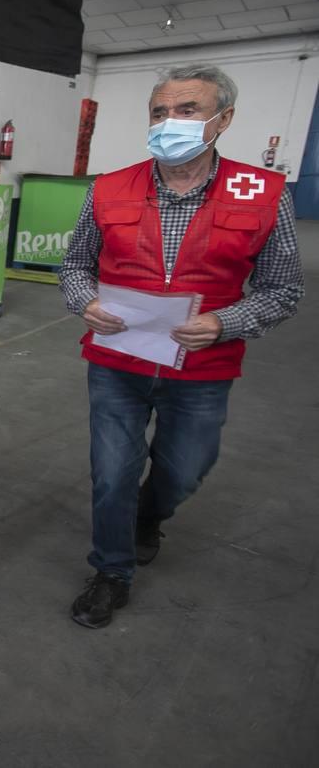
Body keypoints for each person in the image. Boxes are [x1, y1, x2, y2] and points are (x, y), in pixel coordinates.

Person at [59, 64, 303, 630]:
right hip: (117, 360)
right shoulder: (109, 187)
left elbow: (284, 288)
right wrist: (84, 301)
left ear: (224, 120)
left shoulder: (263, 194)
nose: (170, 122)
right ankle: (111, 570)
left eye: (187, 111)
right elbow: (75, 266)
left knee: (185, 469)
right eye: (159, 112)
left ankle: (150, 514)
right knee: (112, 471)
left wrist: (225, 322)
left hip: (203, 365)